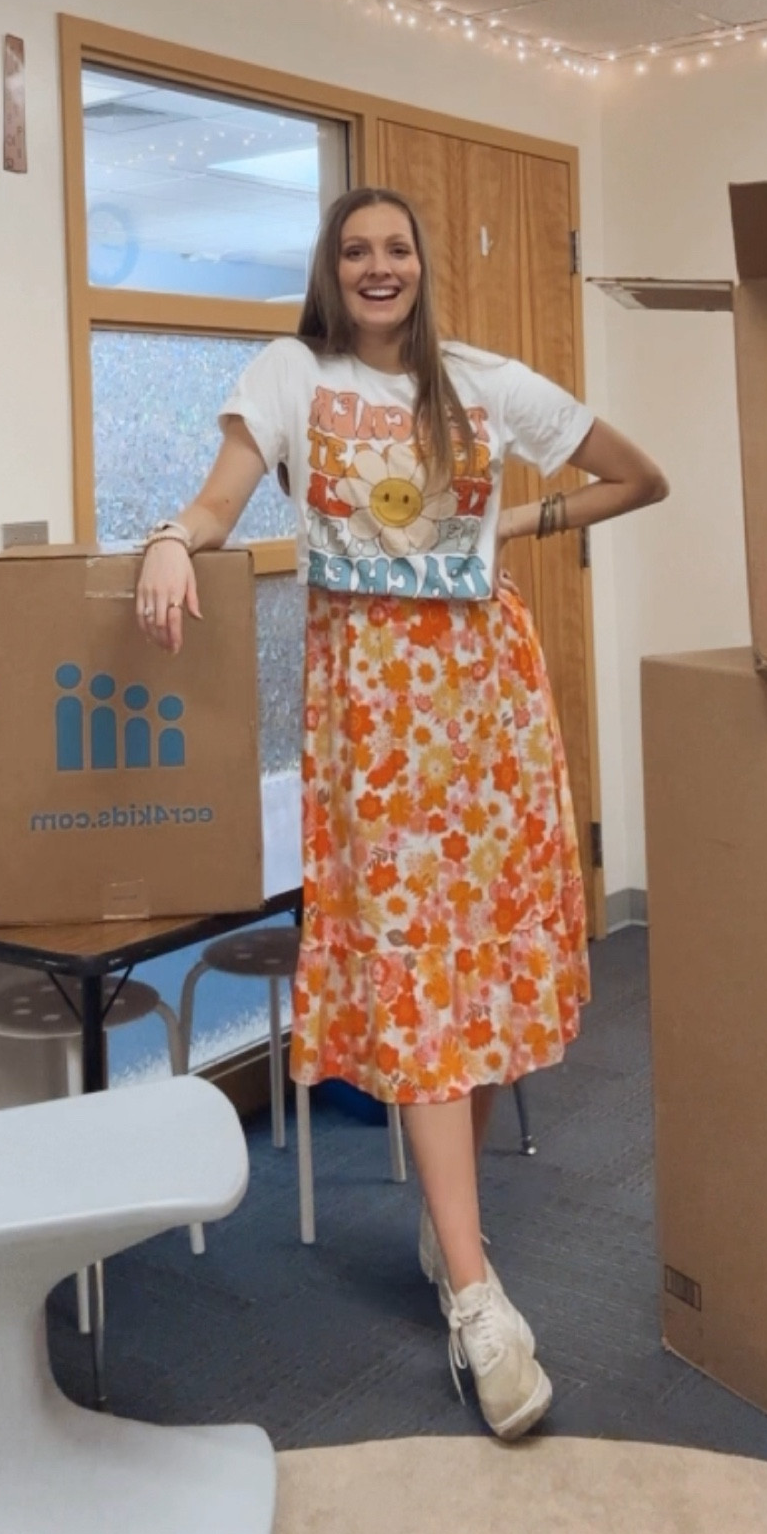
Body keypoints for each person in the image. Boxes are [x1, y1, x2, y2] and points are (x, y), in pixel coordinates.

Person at [135, 185, 667, 1441]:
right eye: (355, 250)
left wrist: (519, 521)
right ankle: (476, 1296)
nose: (379, 267)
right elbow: (219, 499)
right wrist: (171, 538)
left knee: (476, 970)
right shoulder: (287, 372)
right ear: (332, 269)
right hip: (373, 718)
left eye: (397, 249)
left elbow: (638, 477)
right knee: (428, 976)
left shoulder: (485, 382)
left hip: (487, 703)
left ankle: (446, 1223)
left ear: (424, 266)